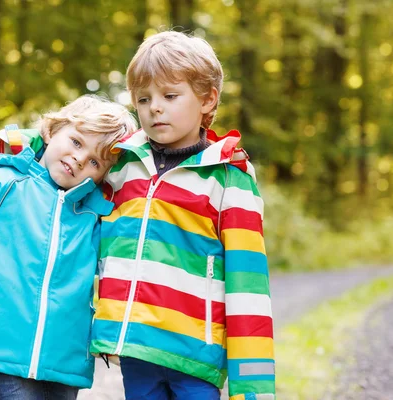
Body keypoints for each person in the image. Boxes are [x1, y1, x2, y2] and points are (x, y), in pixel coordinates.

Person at [90, 31, 275, 400]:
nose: (154, 107)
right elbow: (68, 150)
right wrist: (23, 145)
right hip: (135, 346)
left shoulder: (227, 179)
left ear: (208, 99)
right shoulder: (122, 165)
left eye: (170, 96)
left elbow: (248, 287)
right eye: (144, 99)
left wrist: (253, 391)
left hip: (196, 354)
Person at [0, 95, 137, 400]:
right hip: (1, 345)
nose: (80, 159)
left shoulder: (96, 217)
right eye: (77, 142)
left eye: (95, 161)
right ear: (52, 131)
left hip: (65, 357)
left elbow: (118, 275)